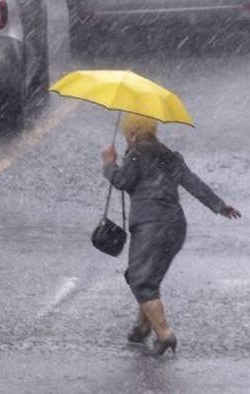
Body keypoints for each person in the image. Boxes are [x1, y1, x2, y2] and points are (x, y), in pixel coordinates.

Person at [101, 114, 241, 356]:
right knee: (147, 277)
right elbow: (193, 183)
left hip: (150, 226)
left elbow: (122, 181)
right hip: (175, 227)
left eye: (127, 131)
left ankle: (164, 334)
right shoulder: (170, 155)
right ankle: (142, 327)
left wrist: (109, 163)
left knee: (140, 280)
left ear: (133, 131)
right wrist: (219, 206)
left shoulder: (137, 154)